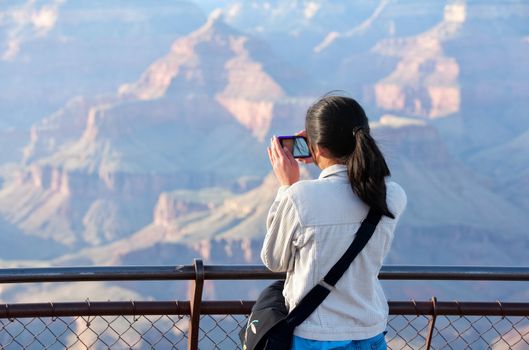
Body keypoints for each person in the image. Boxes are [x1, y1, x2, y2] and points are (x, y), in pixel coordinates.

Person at [262, 95, 407, 350]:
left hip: (316, 337)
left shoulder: (299, 196)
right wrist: (322, 157)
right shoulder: (393, 195)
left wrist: (287, 186)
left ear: (316, 147)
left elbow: (274, 261)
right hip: (370, 333)